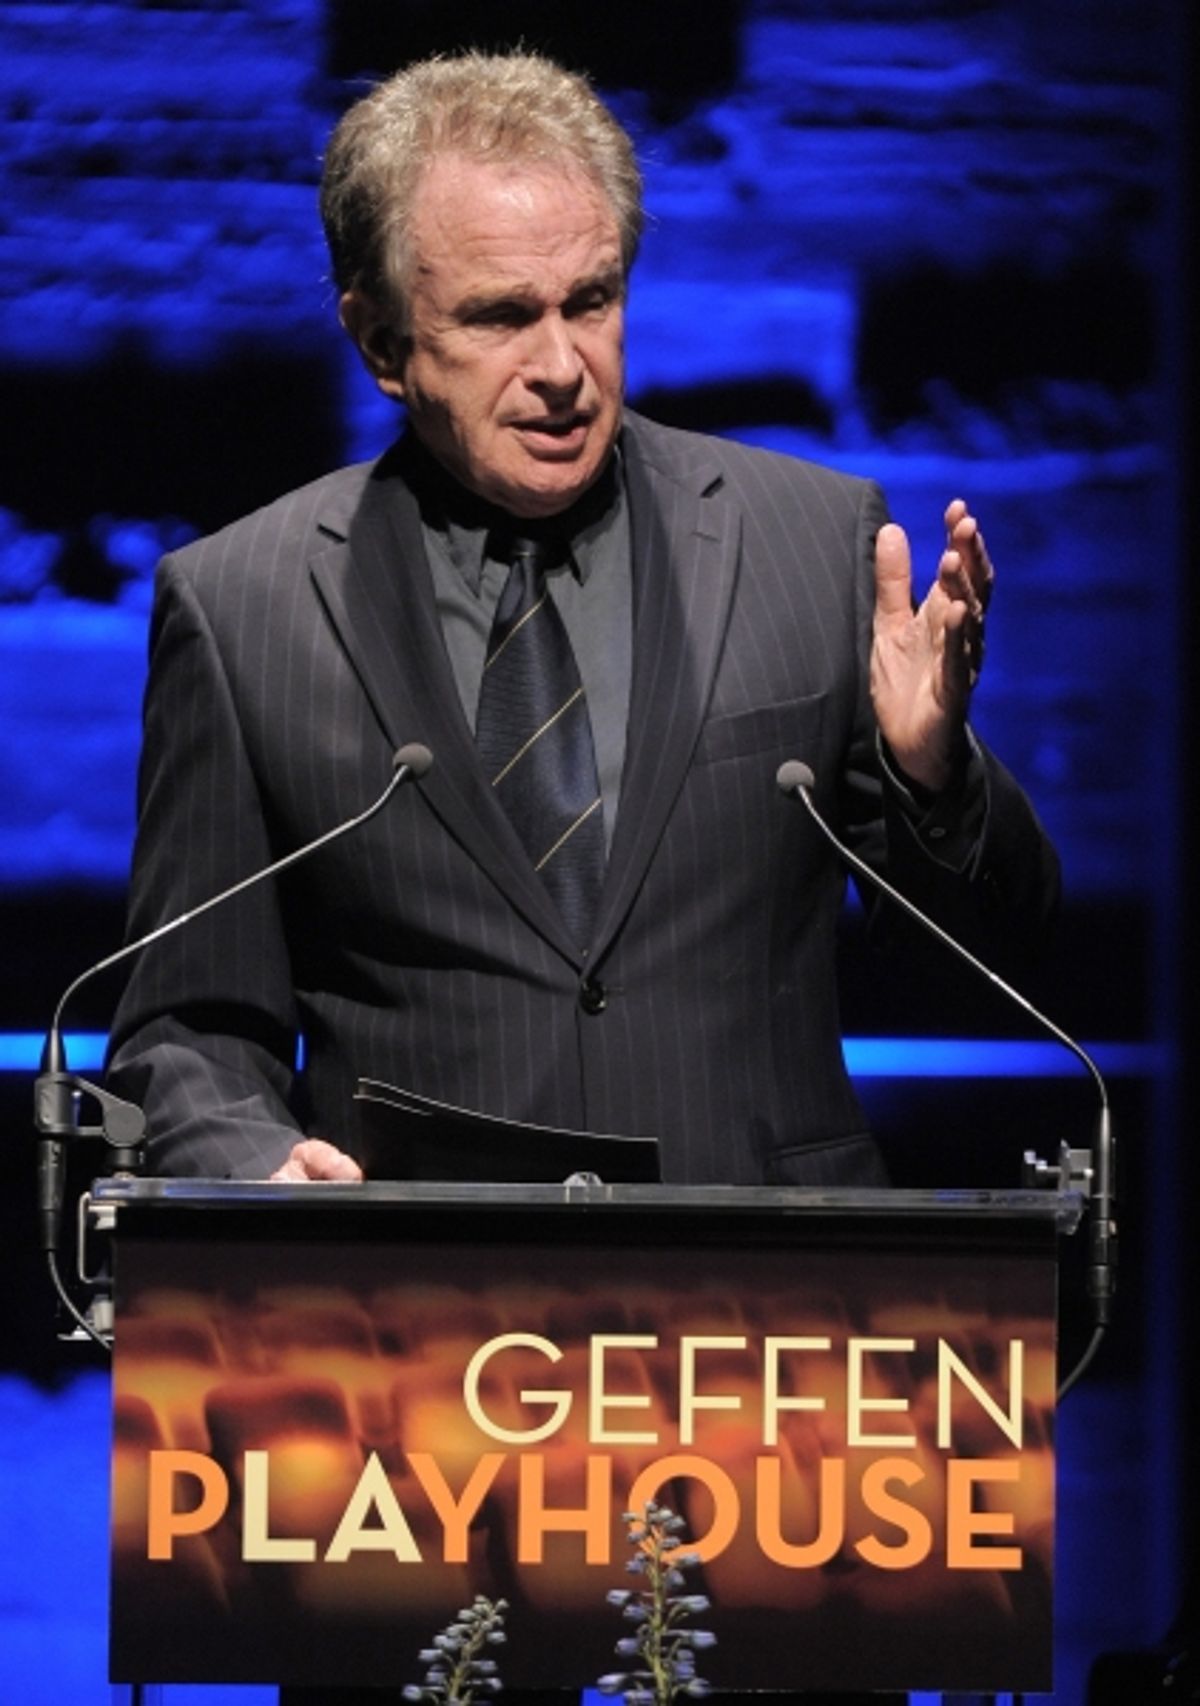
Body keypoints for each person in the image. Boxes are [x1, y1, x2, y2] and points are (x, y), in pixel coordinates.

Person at [107, 49, 1059, 1191]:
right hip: (407, 1318)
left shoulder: (809, 544)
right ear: (379, 341)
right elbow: (186, 1030)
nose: (562, 365)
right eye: (502, 316)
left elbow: (999, 955)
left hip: (765, 1310)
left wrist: (932, 775)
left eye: (592, 300)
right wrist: (260, 1167)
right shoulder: (243, 607)